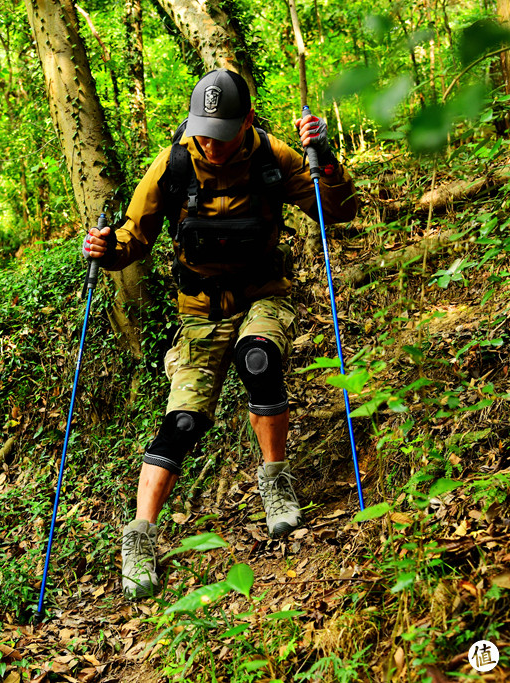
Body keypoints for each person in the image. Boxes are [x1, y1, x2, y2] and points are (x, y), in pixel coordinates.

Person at [82, 68, 358, 599]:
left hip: (261, 293)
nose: (209, 142)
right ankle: (139, 536)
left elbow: (337, 212)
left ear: (246, 121)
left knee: (260, 361)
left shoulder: (274, 156)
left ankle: (275, 482)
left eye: (219, 132)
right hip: (200, 309)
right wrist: (105, 248)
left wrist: (324, 158)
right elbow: (133, 237)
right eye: (202, 130)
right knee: (183, 422)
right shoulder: (173, 163)